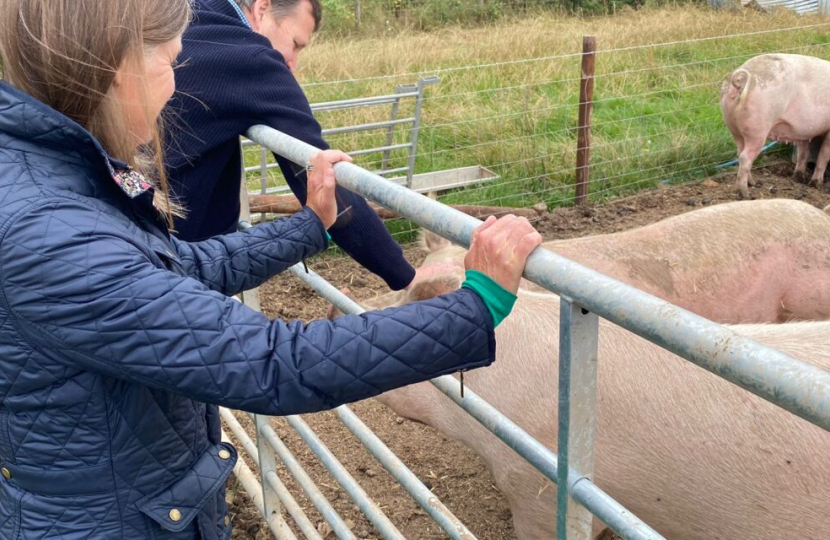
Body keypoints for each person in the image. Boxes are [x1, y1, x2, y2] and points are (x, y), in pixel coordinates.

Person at [0, 0, 543, 538]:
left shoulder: (51, 182)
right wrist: (475, 306)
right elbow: (275, 364)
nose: (174, 90)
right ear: (116, 69)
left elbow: (180, 265)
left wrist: (311, 225)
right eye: (170, 63)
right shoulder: (54, 237)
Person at [165, 0, 419, 291]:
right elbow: (323, 180)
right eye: (296, 44)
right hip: (172, 260)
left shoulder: (191, 15)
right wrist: (407, 277)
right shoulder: (252, 57)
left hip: (122, 228)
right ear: (262, 8)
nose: (292, 63)